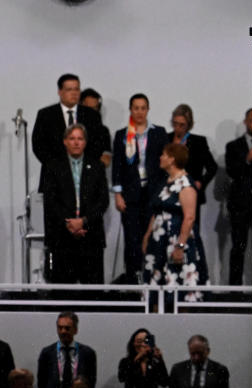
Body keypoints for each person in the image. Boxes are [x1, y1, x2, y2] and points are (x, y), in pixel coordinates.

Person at [41, 124, 108, 284]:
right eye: (72, 138)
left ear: (85, 142)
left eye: (80, 138)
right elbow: (50, 200)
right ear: (65, 141)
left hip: (91, 236)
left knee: (91, 293)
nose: (76, 142)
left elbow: (103, 201)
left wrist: (83, 221)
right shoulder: (52, 166)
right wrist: (69, 223)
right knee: (63, 292)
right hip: (61, 237)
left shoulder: (97, 166)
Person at [111, 94, 168, 281]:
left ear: (148, 109)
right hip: (131, 195)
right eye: (136, 108)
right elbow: (117, 166)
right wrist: (118, 195)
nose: (140, 112)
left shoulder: (159, 132)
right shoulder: (122, 134)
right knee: (132, 239)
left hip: (152, 193)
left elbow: (165, 165)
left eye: (143, 108)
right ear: (131, 110)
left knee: (151, 236)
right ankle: (132, 277)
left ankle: (152, 277)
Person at [141, 141, 208, 297]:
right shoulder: (165, 182)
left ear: (172, 159)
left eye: (163, 155)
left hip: (176, 239)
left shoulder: (185, 184)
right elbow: (158, 211)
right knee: (156, 286)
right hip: (159, 241)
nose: (160, 158)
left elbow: (190, 217)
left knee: (179, 285)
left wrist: (180, 246)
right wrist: (147, 236)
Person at [32, 74, 106, 187]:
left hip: (85, 177)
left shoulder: (92, 115)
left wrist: (83, 165)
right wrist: (58, 167)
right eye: (69, 89)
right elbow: (39, 145)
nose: (74, 93)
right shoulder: (46, 115)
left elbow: (98, 144)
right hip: (54, 176)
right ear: (60, 92)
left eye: (77, 89)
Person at [37, 311, 98, 388]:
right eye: (60, 328)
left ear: (75, 330)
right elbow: (42, 384)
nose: (63, 331)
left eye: (67, 328)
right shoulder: (47, 353)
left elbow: (90, 383)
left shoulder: (87, 353)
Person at [167, 105, 218, 227]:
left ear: (189, 125)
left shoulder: (198, 142)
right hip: (168, 193)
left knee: (190, 231)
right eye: (175, 124)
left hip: (190, 194)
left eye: (182, 125)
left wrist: (201, 182)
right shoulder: (165, 138)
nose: (177, 128)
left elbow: (212, 167)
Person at [223, 108, 252, 286]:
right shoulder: (233, 146)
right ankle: (235, 289)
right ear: (245, 122)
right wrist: (247, 159)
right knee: (238, 248)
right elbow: (232, 171)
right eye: (251, 120)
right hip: (240, 205)